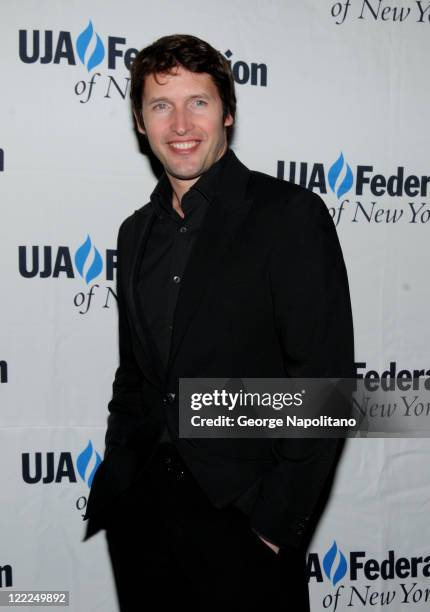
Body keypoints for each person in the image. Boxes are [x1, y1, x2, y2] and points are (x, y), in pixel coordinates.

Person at [83, 33, 354, 612]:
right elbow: (135, 376)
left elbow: (325, 385)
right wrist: (120, 481)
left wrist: (275, 524)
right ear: (140, 121)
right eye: (161, 105)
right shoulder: (134, 234)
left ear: (228, 112)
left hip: (245, 522)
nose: (180, 122)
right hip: (143, 518)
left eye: (198, 102)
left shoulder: (287, 216)